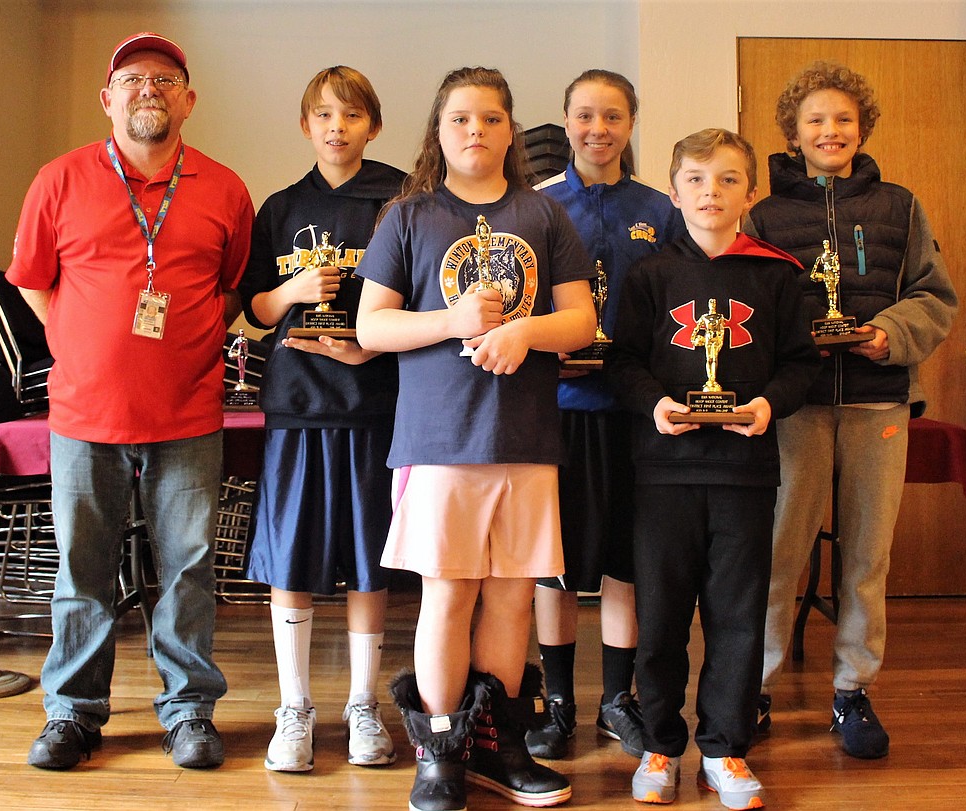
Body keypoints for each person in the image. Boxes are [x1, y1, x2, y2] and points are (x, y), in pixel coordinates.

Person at [7, 33, 253, 771]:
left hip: (187, 411)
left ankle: (189, 711)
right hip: (85, 414)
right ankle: (73, 713)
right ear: (107, 99)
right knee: (82, 568)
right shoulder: (59, 178)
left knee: (188, 567)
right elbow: (31, 278)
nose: (149, 89)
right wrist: (82, 340)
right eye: (133, 79)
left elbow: (233, 285)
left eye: (166, 79)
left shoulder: (225, 188)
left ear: (188, 100)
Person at [356, 66, 595, 811]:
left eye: (491, 119)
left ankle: (498, 745)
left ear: (511, 131)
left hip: (525, 437)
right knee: (449, 594)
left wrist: (524, 331)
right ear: (439, 130)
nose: (476, 132)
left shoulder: (544, 215)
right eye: (461, 119)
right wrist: (454, 321)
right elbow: (371, 326)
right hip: (440, 439)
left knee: (513, 599)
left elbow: (582, 321)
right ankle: (440, 751)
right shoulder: (407, 216)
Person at [745, 61, 956, 760]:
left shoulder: (900, 205)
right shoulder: (765, 214)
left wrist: (885, 334)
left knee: (867, 557)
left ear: (862, 128)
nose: (829, 130)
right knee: (777, 553)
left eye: (842, 119)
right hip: (796, 409)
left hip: (877, 403)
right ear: (793, 134)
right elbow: (748, 304)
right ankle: (755, 685)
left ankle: (852, 689)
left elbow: (934, 295)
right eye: (815, 120)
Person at [606, 128, 819, 809]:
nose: (711, 192)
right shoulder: (649, 275)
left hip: (745, 472)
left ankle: (725, 748)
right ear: (673, 193)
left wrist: (766, 404)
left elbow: (802, 364)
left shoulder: (778, 274)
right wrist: (656, 404)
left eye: (728, 179)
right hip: (663, 471)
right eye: (696, 179)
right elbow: (623, 362)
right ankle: (662, 745)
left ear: (750, 192)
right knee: (662, 615)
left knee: (736, 614)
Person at [237, 65, 405, 773]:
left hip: (374, 407)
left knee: (370, 563)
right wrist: (292, 289)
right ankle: (295, 706)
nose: (337, 126)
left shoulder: (400, 200)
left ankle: (363, 704)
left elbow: (423, 296)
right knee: (294, 558)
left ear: (372, 125)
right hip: (297, 406)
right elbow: (250, 314)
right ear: (305, 125)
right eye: (324, 114)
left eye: (352, 114)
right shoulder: (278, 206)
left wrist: (370, 345)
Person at [526, 69, 684, 761]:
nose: (598, 129)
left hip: (632, 412)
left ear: (631, 123)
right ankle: (559, 701)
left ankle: (617, 698)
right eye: (585, 115)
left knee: (627, 561)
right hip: (552, 409)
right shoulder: (532, 206)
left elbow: (681, 306)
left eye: (613, 116)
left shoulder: (661, 208)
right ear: (565, 121)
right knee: (553, 563)